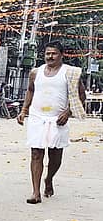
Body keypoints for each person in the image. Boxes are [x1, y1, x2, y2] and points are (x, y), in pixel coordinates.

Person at [17, 41, 86, 204]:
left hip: (58, 119)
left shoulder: (70, 73)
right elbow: (30, 90)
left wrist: (68, 112)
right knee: (36, 153)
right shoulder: (36, 72)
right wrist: (24, 110)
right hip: (37, 117)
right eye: (48, 53)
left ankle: (49, 178)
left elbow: (82, 96)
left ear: (62, 55)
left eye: (54, 53)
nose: (50, 56)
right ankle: (35, 192)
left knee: (55, 156)